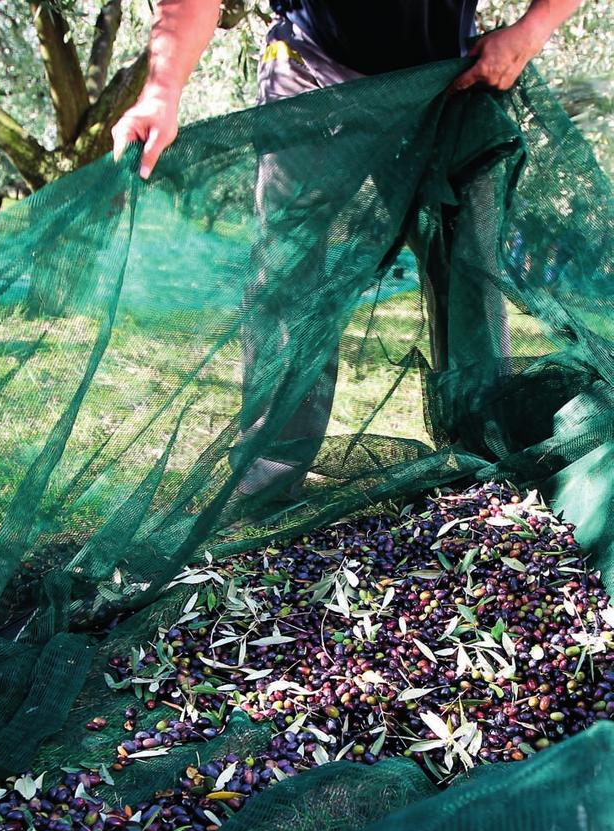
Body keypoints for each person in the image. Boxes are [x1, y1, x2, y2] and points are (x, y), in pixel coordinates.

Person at [111, 0, 585, 497]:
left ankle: (485, 463)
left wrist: (533, 29)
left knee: (471, 271)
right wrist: (161, 90)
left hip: (448, 81)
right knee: (291, 272)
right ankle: (269, 472)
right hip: (312, 67)